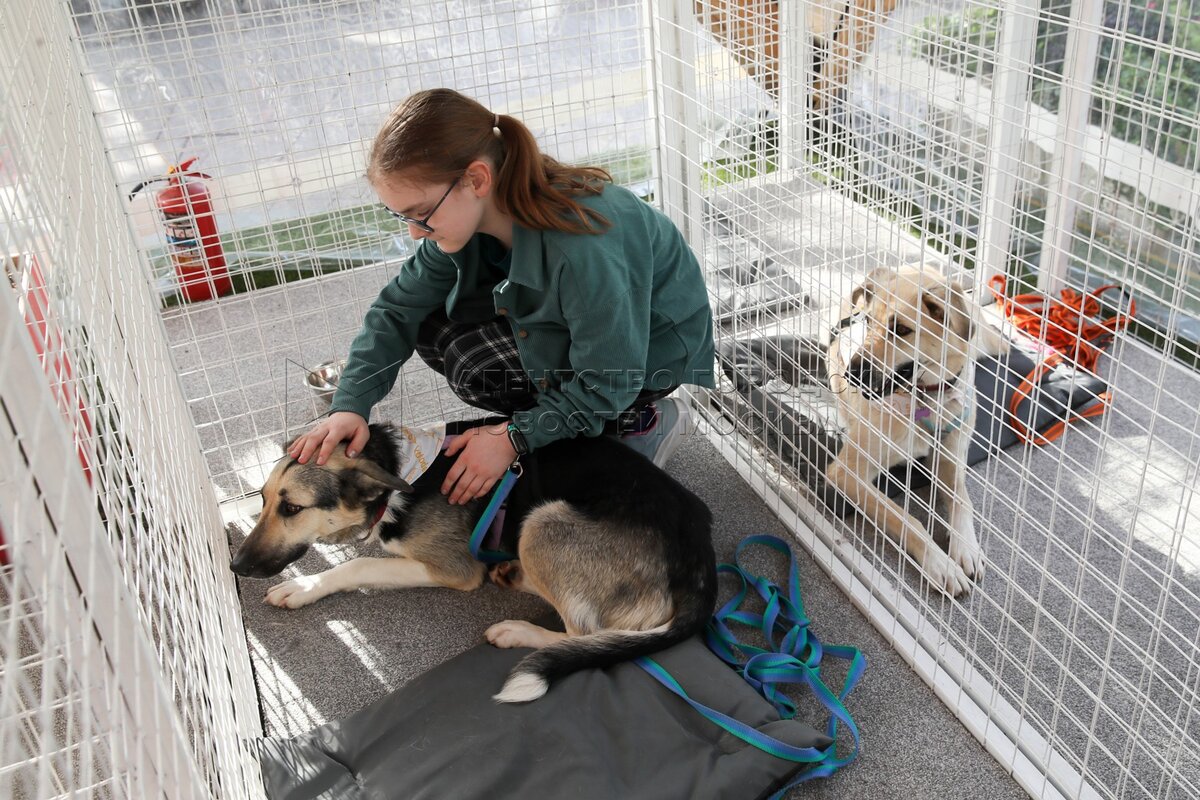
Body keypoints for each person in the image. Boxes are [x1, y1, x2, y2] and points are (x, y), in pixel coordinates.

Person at [289, 88, 715, 505]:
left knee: (482, 367)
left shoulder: (581, 249)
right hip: (587, 334)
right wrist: (350, 405)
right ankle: (570, 422)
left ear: (476, 179)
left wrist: (513, 437)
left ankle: (635, 426)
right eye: (401, 216)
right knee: (436, 326)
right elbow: (397, 310)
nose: (415, 233)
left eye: (421, 213)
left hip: (643, 361)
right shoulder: (467, 222)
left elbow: (611, 379)